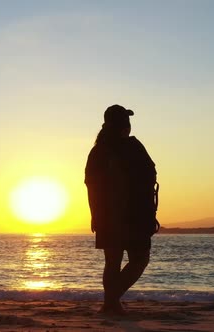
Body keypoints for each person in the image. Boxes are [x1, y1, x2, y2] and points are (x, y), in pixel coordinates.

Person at [84, 104, 159, 315]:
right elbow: (149, 181)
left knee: (112, 262)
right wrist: (150, 214)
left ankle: (111, 303)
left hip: (108, 217)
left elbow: (91, 186)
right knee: (140, 259)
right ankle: (111, 300)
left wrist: (95, 215)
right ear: (124, 125)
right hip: (134, 216)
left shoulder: (98, 150)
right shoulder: (133, 147)